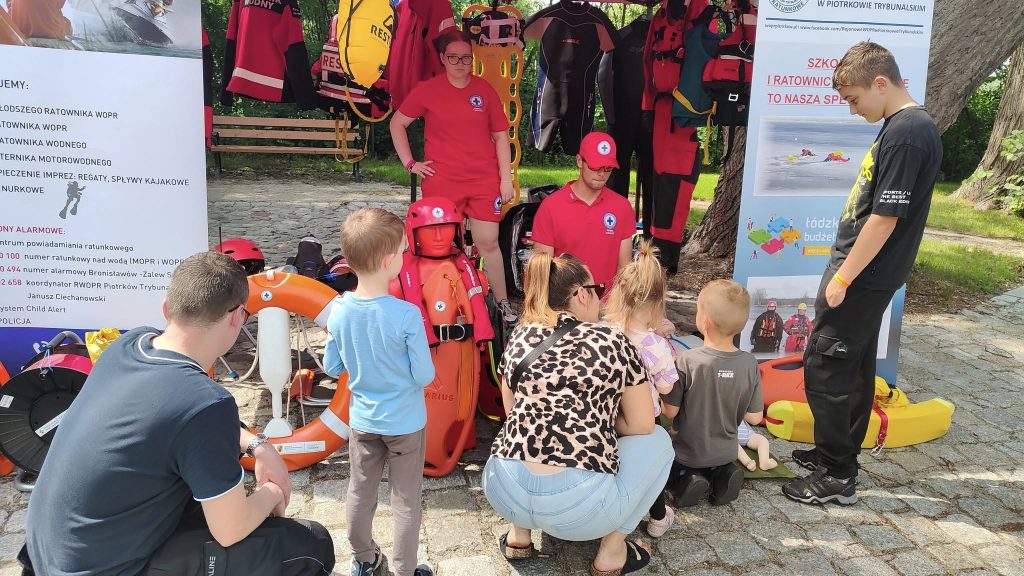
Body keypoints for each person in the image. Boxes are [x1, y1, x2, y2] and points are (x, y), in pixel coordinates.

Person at [21, 252, 334, 576]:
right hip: (102, 569)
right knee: (311, 545)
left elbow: (180, 416)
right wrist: (273, 490)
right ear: (237, 317)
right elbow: (231, 528)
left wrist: (257, 445)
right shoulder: (205, 403)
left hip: (45, 553)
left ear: (167, 308)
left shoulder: (129, 346)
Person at [782, 41, 942, 506]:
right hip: (866, 273)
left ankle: (836, 476)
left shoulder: (909, 132)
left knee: (827, 365)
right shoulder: (902, 126)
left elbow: (885, 218)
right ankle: (838, 452)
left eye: (853, 99)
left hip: (864, 275)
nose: (852, 110)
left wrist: (844, 277)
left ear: (880, 82)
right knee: (852, 366)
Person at [482, 252, 673, 576]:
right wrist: (601, 423)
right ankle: (612, 552)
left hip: (503, 488)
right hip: (578, 510)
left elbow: (513, 412)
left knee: (523, 437)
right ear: (582, 295)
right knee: (660, 442)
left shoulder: (521, 335)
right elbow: (642, 424)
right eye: (597, 289)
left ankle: (519, 535)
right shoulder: (613, 341)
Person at [322, 208, 436, 576]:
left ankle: (364, 559)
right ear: (390, 261)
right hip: (405, 423)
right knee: (405, 501)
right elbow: (424, 375)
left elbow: (332, 367)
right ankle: (404, 571)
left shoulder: (338, 310)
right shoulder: (406, 314)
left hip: (364, 421)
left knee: (359, 491)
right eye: (403, 250)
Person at [389, 28, 518, 325]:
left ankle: (501, 304)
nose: (460, 63)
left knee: (489, 242)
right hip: (442, 180)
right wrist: (410, 163)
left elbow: (501, 137)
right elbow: (397, 124)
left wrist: (506, 179)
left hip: (484, 179)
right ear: (443, 59)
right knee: (441, 244)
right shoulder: (427, 89)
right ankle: (442, 302)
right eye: (454, 57)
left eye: (466, 58)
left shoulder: (484, 90)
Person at [662, 280, 763, 508]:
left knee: (666, 465)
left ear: (704, 321)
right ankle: (724, 475)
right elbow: (755, 417)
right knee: (721, 465)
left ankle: (687, 481)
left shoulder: (688, 361)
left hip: (688, 452)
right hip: (727, 451)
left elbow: (670, 411)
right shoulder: (749, 363)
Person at [602, 239, 679, 538]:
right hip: (645, 418)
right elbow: (666, 384)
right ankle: (658, 517)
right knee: (653, 468)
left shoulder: (604, 332)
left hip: (608, 414)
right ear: (659, 302)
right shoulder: (657, 345)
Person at [531, 131, 636, 288]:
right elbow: (541, 274)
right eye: (595, 166)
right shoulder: (551, 207)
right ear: (579, 161)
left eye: (608, 168)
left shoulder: (622, 207)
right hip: (565, 305)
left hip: (608, 307)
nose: (601, 173)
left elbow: (624, 271)